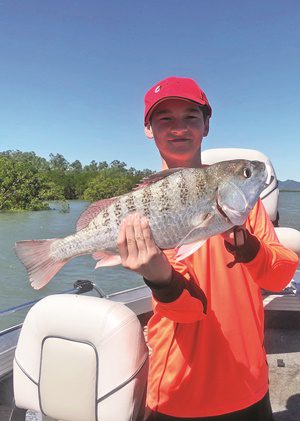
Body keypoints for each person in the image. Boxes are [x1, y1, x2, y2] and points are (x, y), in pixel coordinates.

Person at [117, 76, 299, 420]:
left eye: (191, 117)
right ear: (148, 128)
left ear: (206, 126)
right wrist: (160, 279)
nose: (179, 128)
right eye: (165, 119)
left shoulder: (245, 204)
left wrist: (253, 250)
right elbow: (188, 312)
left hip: (250, 383)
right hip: (178, 393)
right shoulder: (148, 210)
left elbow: (280, 276)